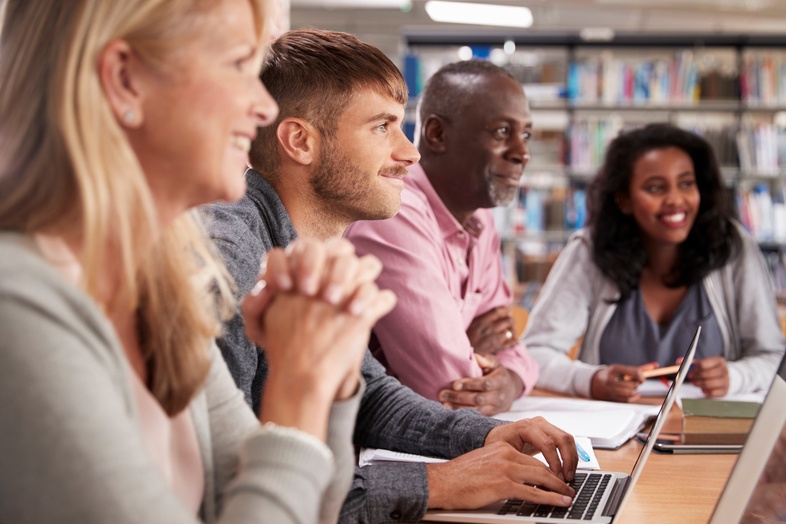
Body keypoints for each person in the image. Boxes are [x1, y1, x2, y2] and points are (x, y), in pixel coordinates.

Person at [0, 1, 397, 523]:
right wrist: (298, 390)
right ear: (125, 81)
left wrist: (330, 371)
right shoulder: (19, 304)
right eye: (238, 66)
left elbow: (305, 506)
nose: (264, 107)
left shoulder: (158, 286)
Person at [205, 29, 578, 524]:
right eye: (382, 127)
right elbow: (233, 483)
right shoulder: (227, 260)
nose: (411, 153)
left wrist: (486, 435)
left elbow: (371, 396)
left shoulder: (311, 251)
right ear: (300, 141)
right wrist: (440, 483)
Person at [521, 123, 785, 402]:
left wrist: (735, 376)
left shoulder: (732, 247)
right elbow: (534, 354)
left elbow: (774, 357)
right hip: (616, 427)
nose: (675, 199)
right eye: (656, 188)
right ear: (623, 199)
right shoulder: (589, 250)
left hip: (706, 428)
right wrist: (591, 380)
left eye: (686, 184)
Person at [344, 59, 538, 415]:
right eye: (501, 132)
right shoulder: (394, 213)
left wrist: (509, 382)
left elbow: (513, 347)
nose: (521, 153)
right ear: (436, 134)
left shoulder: (480, 219)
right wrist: (470, 347)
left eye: (525, 135)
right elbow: (447, 388)